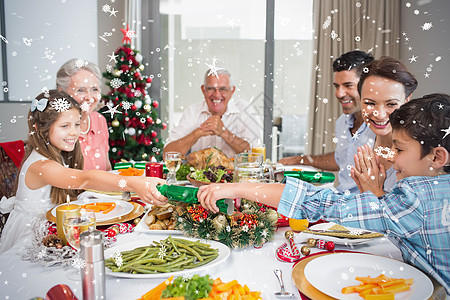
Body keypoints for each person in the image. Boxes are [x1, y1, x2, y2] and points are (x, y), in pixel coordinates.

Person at [198, 93, 450, 294]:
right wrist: (377, 196)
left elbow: (322, 203)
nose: (394, 162)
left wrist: (237, 188)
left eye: (400, 150)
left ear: (437, 156)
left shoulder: (416, 197)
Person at [0, 90, 167, 254]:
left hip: (56, 229)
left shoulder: (58, 155)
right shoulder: (41, 166)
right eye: (65, 126)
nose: (74, 132)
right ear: (39, 129)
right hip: (31, 237)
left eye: (77, 124)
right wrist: (134, 183)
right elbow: (84, 179)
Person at [279, 50, 375, 194]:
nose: (339, 94)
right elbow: (340, 160)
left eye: (348, 85)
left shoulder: (381, 127)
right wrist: (298, 160)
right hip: (341, 197)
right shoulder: (343, 122)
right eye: (337, 86)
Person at [163, 68, 263, 158]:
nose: (216, 95)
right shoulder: (192, 111)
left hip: (235, 176)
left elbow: (255, 155)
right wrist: (197, 133)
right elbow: (168, 153)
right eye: (211, 89)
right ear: (203, 90)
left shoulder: (244, 109)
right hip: (198, 177)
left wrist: (224, 132)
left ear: (232, 91)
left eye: (223, 89)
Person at [355, 57, 417, 192]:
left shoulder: (418, 152)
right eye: (370, 103)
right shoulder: (362, 135)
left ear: (407, 100)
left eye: (391, 104)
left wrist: (375, 191)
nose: (379, 115)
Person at [56, 58, 112, 171]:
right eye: (81, 90)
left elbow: (107, 168)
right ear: (61, 91)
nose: (89, 98)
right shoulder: (56, 126)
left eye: (94, 89)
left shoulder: (99, 120)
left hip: (102, 188)